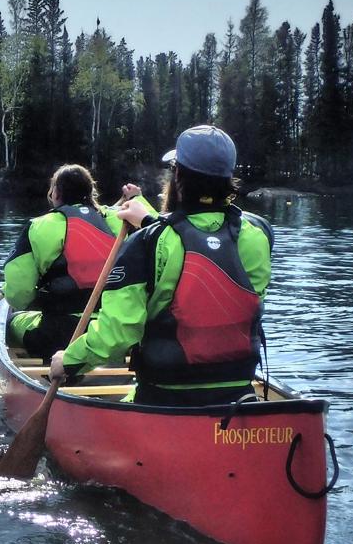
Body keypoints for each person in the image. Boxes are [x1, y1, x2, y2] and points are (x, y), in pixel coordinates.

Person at [49, 125, 274, 406]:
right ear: (228, 178)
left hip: (164, 396)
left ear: (178, 175)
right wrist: (148, 221)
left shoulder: (148, 243)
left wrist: (68, 361)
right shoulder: (257, 236)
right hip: (237, 393)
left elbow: (118, 333)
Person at [3, 164, 155, 359]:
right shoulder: (120, 219)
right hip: (114, 332)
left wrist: (33, 297)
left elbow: (18, 296)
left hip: (60, 334)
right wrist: (138, 199)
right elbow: (160, 231)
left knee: (12, 323)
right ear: (91, 192)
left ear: (56, 193)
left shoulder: (39, 226)